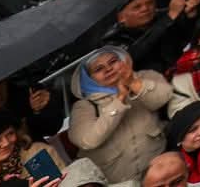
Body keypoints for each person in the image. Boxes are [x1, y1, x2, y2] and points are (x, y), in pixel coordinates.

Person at [68, 45, 176, 186]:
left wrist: (132, 83)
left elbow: (164, 97)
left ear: (123, 61)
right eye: (98, 69)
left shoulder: (144, 77)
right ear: (89, 79)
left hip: (161, 174)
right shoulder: (84, 106)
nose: (108, 69)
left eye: (113, 61)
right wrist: (119, 99)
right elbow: (88, 140)